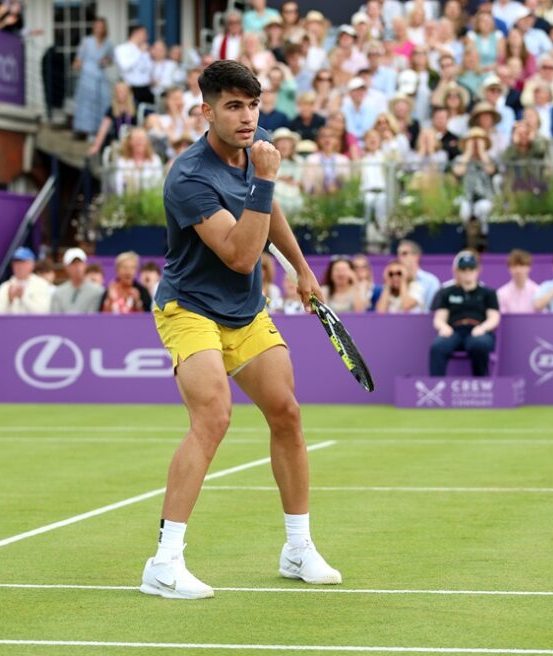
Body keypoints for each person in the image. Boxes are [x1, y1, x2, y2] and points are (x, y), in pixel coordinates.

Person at [143, 60, 339, 600]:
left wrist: (301, 270)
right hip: (190, 308)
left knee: (287, 414)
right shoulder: (189, 178)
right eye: (233, 106)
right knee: (213, 416)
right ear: (206, 112)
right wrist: (269, 178)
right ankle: (163, 563)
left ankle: (298, 549)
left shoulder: (259, 146)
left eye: (253, 105)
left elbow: (268, 214)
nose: (247, 116)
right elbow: (239, 254)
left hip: (246, 312)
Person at [429, 251, 501, 376]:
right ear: (457, 271)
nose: (467, 272)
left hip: (478, 330)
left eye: (471, 268)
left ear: (478, 270)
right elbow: (439, 318)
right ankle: (437, 388)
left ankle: (481, 386)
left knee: (479, 345)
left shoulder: (488, 293)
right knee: (438, 347)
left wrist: (482, 328)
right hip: (454, 331)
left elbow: (494, 318)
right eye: (463, 269)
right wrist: (444, 327)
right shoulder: (447, 292)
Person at [73, 17, 114, 137]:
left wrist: (105, 61)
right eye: (97, 26)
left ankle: (100, 130)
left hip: (100, 76)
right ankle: (86, 130)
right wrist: (77, 65)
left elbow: (110, 59)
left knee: (103, 101)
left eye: (101, 27)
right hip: (87, 76)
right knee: (87, 103)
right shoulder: (86, 41)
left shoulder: (108, 43)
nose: (99, 29)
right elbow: (78, 59)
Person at [0, 247, 53, 315]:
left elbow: (44, 312)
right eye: (16, 263)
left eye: (23, 263)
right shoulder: (5, 287)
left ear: (31, 264)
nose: (19, 266)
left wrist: (23, 296)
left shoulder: (42, 285)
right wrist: (9, 299)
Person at [50, 248, 105, 314]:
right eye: (73, 264)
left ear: (85, 265)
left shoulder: (98, 291)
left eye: (80, 263)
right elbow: (56, 319)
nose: (77, 267)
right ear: (66, 267)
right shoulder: (58, 293)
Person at [395, 239, 441, 312]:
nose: (399, 257)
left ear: (416, 256)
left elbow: (432, 310)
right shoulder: (394, 279)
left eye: (404, 253)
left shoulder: (431, 281)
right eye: (398, 254)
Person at [115, 24, 154, 106]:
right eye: (144, 34)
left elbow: (149, 69)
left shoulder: (145, 50)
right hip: (130, 88)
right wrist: (139, 52)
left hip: (146, 88)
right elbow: (125, 66)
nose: (147, 36)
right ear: (136, 33)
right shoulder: (122, 49)